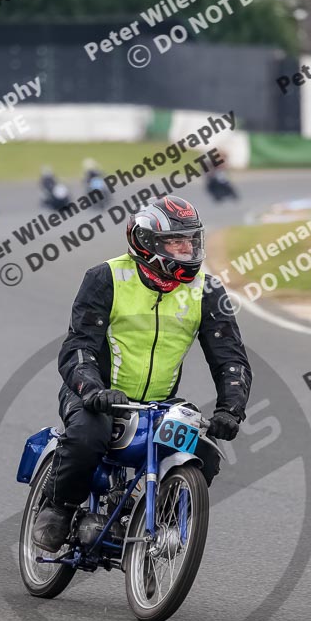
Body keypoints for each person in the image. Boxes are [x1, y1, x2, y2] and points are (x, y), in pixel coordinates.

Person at [33, 195, 252, 552]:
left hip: (159, 404)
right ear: (147, 244)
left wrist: (231, 408)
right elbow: (78, 347)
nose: (187, 249)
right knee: (89, 435)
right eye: (175, 242)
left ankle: (160, 522)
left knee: (205, 449)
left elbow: (230, 358)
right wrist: (91, 390)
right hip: (96, 396)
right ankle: (58, 506)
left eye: (191, 240)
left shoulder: (207, 291)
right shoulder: (105, 278)